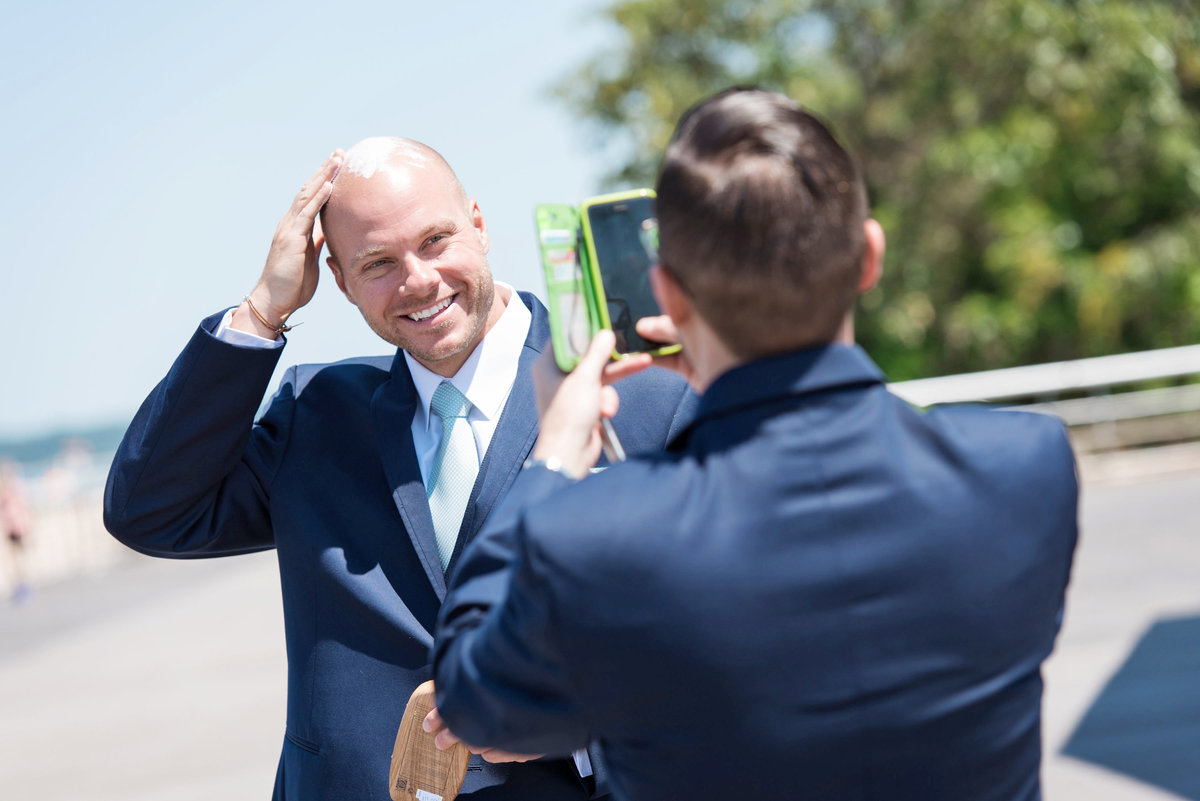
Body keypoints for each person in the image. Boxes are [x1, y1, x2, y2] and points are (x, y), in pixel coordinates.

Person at [430, 88, 1080, 800]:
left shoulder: (604, 532)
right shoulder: (1025, 462)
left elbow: (470, 696)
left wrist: (550, 457)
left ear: (669, 298)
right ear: (869, 255)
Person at [103, 138, 693, 800]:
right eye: (378, 262)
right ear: (339, 281)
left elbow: (726, 646)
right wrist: (264, 311)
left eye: (436, 240)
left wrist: (582, 726)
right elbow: (149, 508)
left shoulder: (648, 398)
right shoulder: (314, 412)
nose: (416, 280)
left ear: (479, 222)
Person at [0, 460, 33, 605]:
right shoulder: (12, 489)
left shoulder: (10, 490)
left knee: (17, 558)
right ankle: (21, 585)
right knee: (16, 558)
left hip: (16, 527)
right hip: (14, 527)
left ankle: (22, 585)